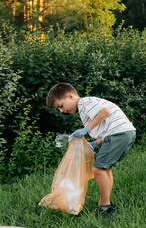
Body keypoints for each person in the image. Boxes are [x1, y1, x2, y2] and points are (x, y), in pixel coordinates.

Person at [46, 83, 137, 216]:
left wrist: (86, 129)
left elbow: (105, 112)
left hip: (119, 134)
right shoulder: (86, 108)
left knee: (98, 169)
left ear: (70, 96)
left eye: (61, 106)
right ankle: (105, 203)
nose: (61, 111)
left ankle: (105, 207)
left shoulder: (84, 102)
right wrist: (94, 144)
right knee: (105, 169)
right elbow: (106, 130)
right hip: (122, 133)